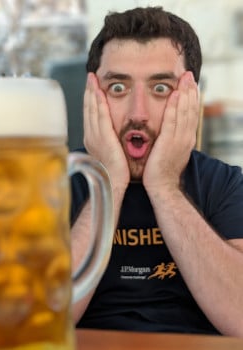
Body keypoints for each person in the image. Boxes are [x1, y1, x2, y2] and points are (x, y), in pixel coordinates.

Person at [70, 6, 243, 336]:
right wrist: (109, 181)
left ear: (191, 98)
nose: (139, 114)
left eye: (161, 88)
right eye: (118, 88)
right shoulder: (58, 182)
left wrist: (164, 186)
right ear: (93, 96)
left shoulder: (225, 184)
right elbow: (41, 317)